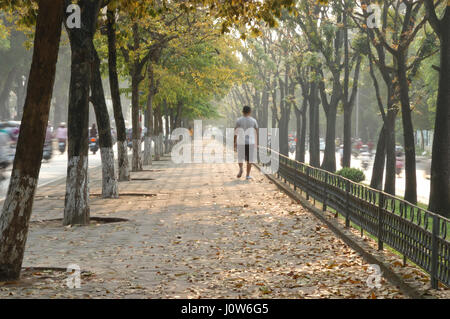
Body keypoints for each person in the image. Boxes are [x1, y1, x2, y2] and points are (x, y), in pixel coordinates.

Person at [234, 106, 258, 180]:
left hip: (241, 142)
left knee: (240, 158)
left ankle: (241, 168)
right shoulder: (253, 121)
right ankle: (247, 175)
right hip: (250, 142)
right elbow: (256, 131)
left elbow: (236, 132)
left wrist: (234, 142)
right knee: (250, 160)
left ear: (242, 111)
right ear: (250, 112)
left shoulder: (239, 120)